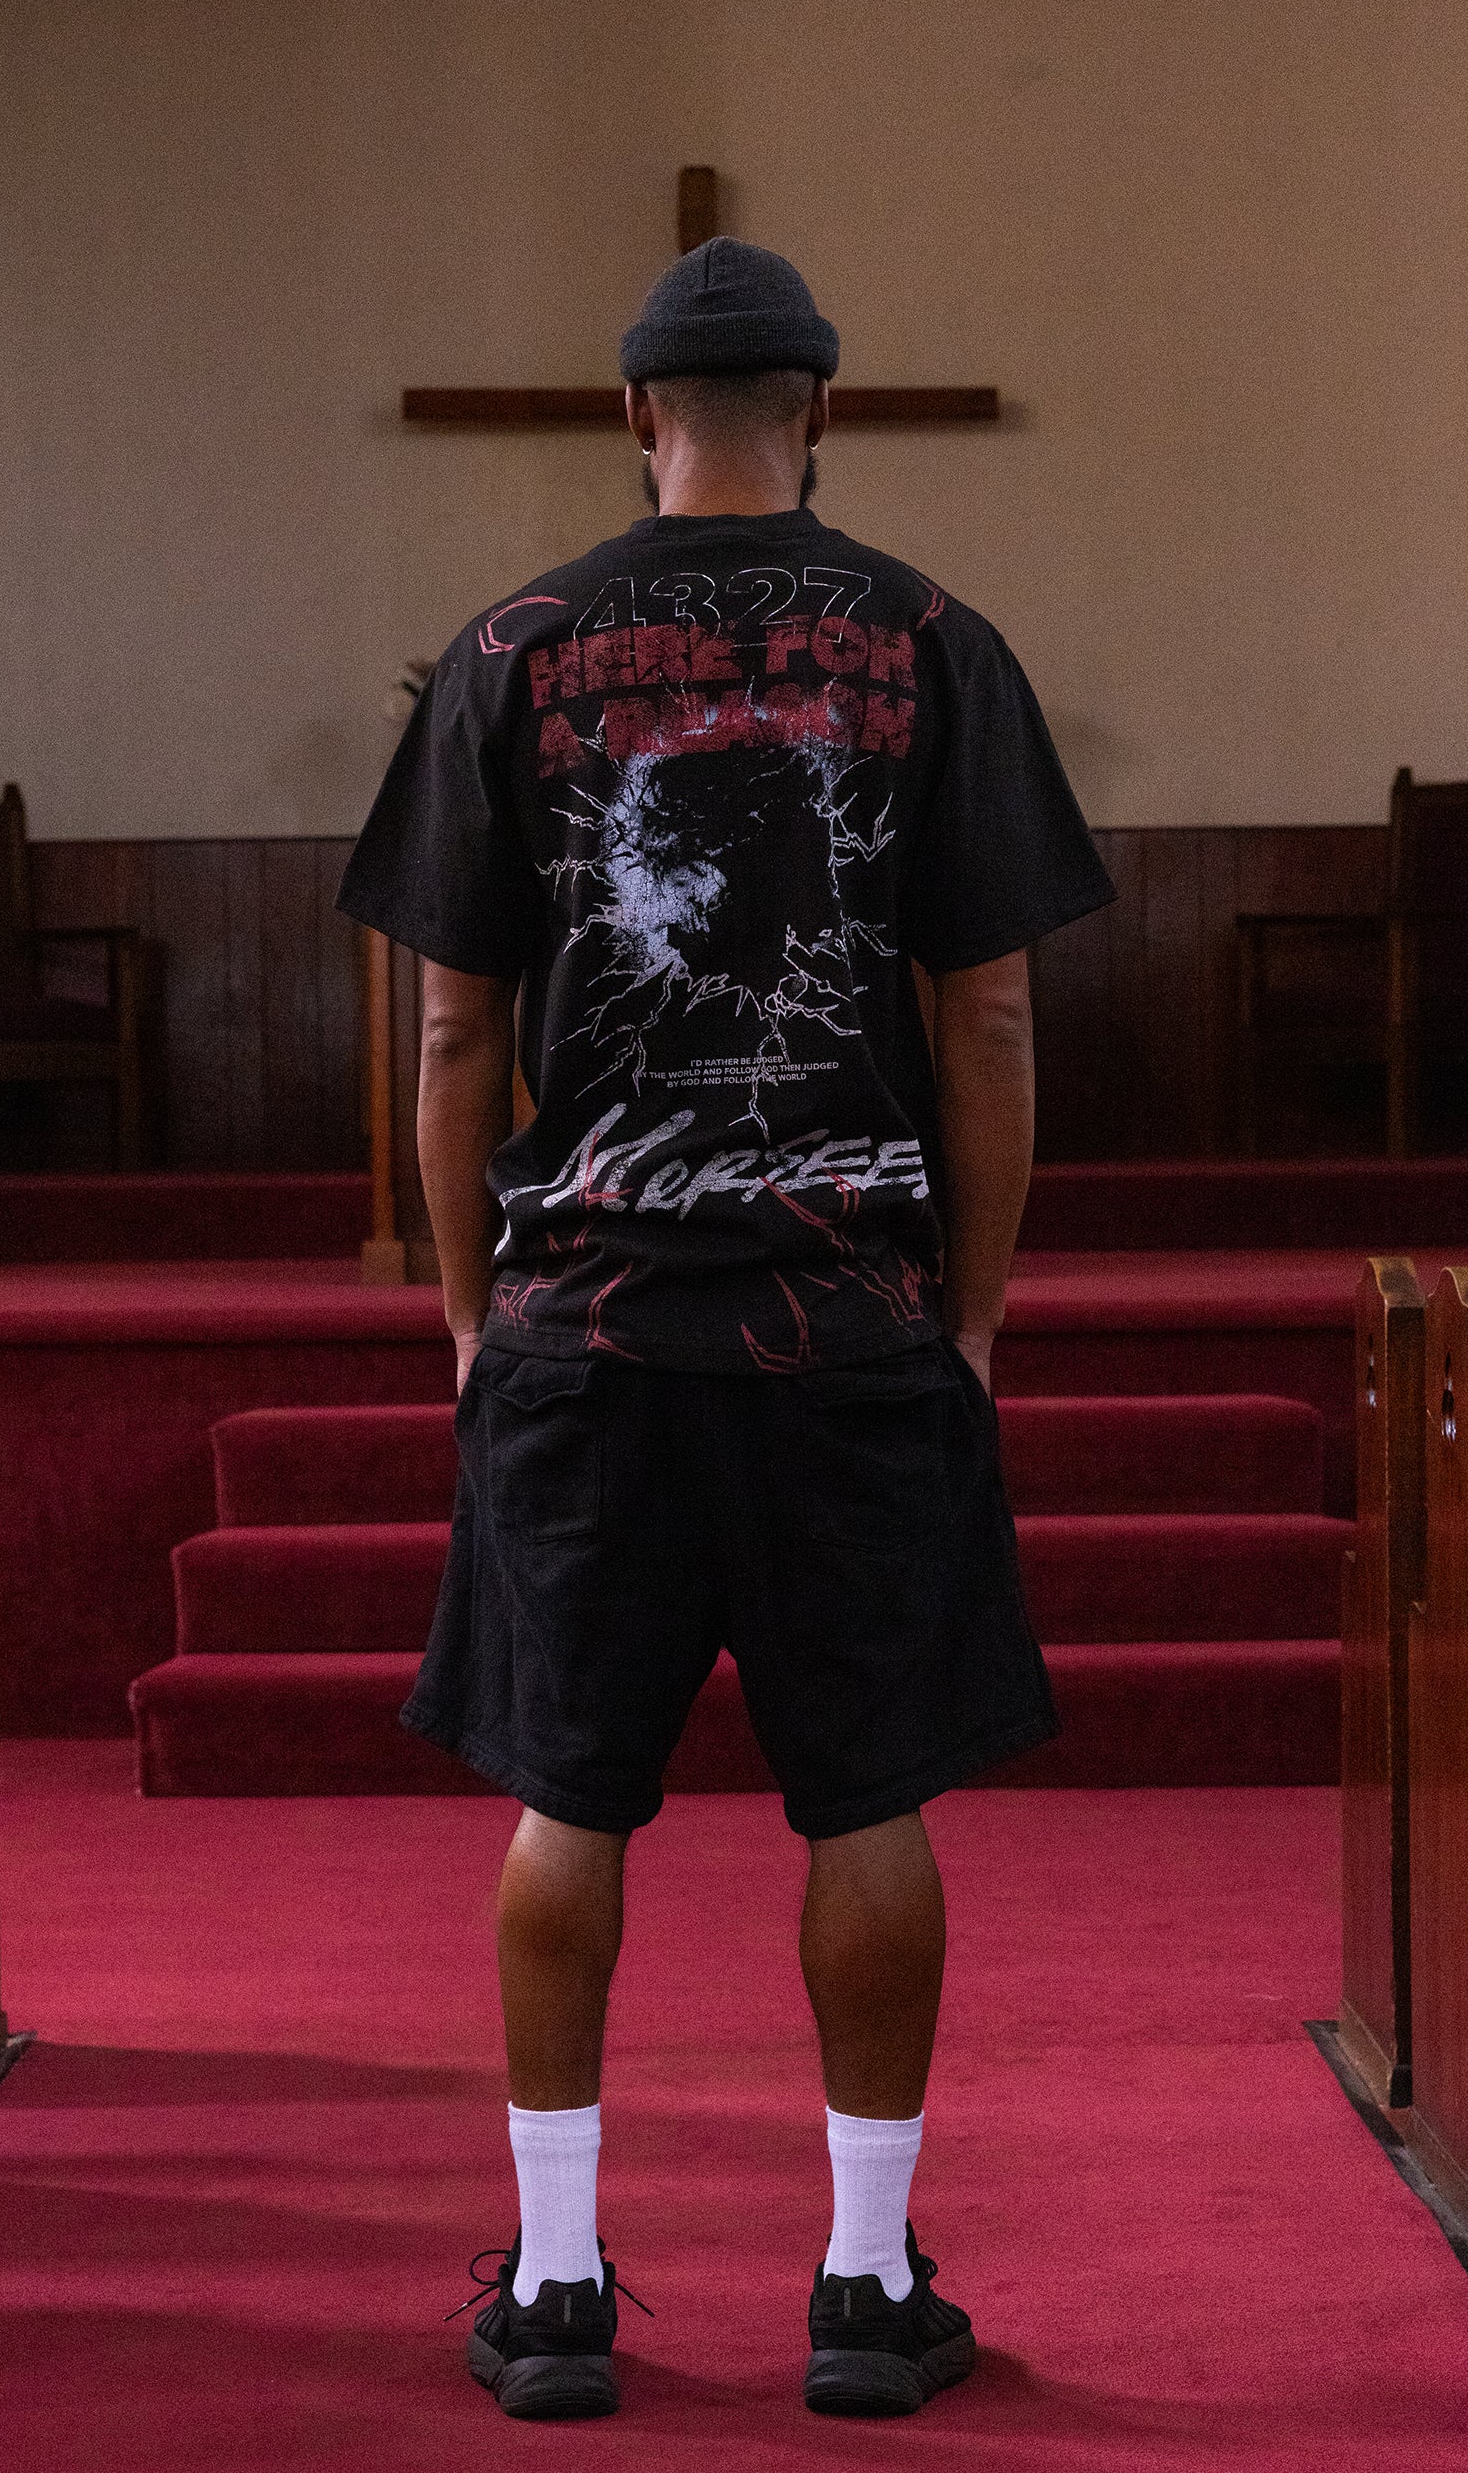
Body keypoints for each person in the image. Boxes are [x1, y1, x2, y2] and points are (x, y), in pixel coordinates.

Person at [338, 236, 1114, 2422]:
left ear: (635, 419)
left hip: (587, 1323)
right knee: (867, 1797)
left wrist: (474, 1316)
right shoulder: (933, 644)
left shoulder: (510, 652)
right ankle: (862, 2287)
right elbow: (988, 1016)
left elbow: (449, 1038)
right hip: (846, 1315)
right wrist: (969, 1317)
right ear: (821, 412)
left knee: (565, 1803)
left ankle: (557, 2288)